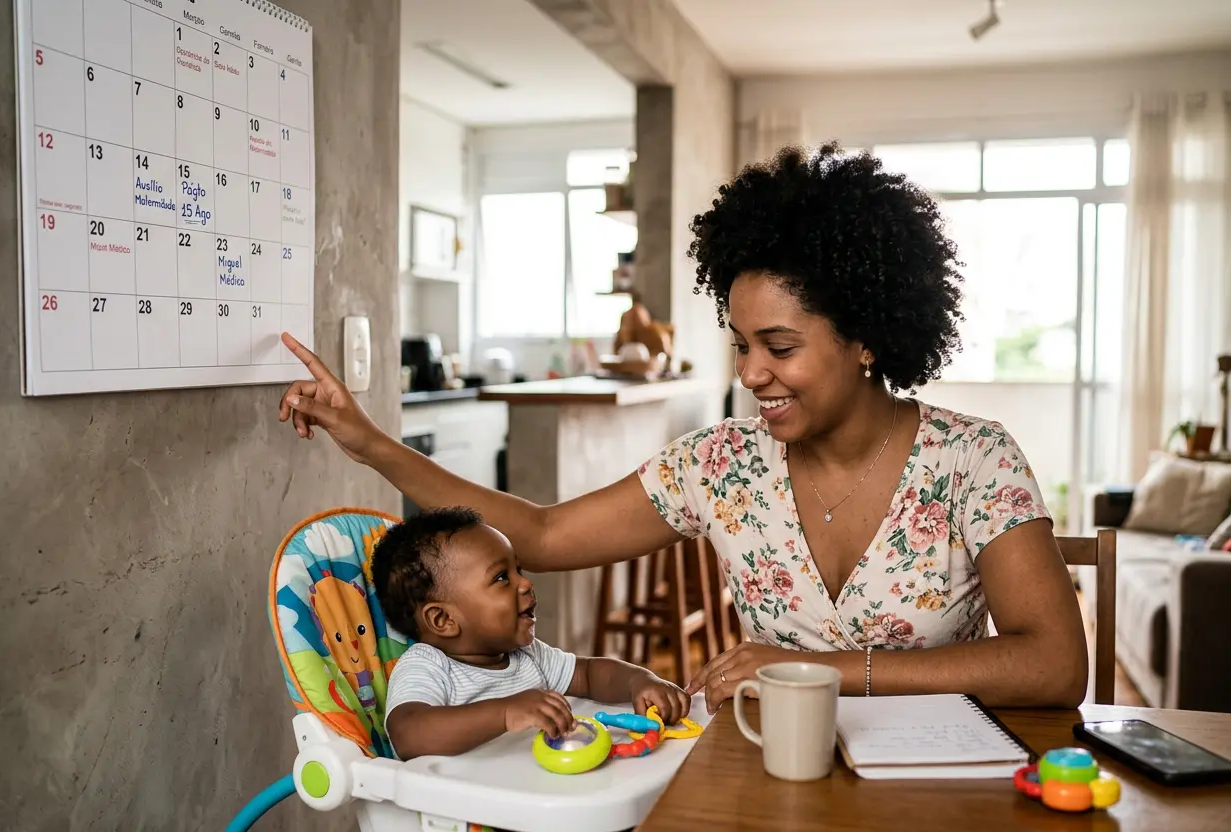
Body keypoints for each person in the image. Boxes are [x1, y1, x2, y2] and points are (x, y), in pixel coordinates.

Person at [278, 142, 1089, 713]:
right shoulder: (724, 465)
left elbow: (1055, 663)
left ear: (866, 336)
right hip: (770, 767)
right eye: (740, 345)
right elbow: (544, 533)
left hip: (944, 787)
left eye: (779, 346)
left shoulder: (973, 460)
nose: (749, 374)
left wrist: (820, 668)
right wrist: (366, 440)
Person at [373, 506, 689, 762]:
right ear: (442, 619)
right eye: (501, 578)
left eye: (518, 571)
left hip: (541, 803)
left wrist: (639, 681)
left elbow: (590, 674)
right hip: (477, 824)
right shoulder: (428, 666)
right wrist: (506, 712)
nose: (525, 584)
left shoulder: (527, 656)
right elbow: (409, 733)